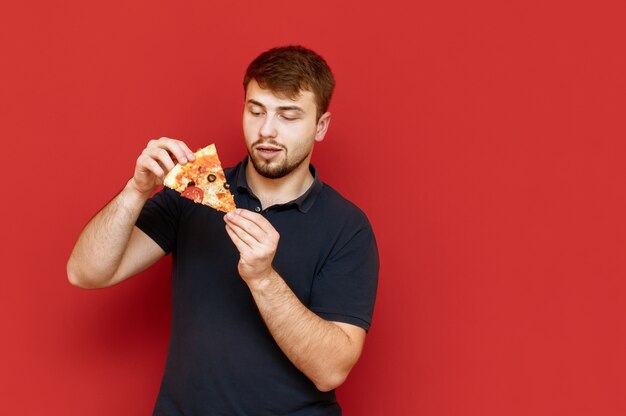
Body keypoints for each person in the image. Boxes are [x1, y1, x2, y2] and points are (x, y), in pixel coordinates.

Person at [67, 45, 379, 416]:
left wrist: (263, 278)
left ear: (320, 126)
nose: (267, 130)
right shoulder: (196, 192)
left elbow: (331, 370)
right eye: (256, 110)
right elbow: (85, 273)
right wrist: (136, 190)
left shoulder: (348, 227)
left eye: (288, 116)